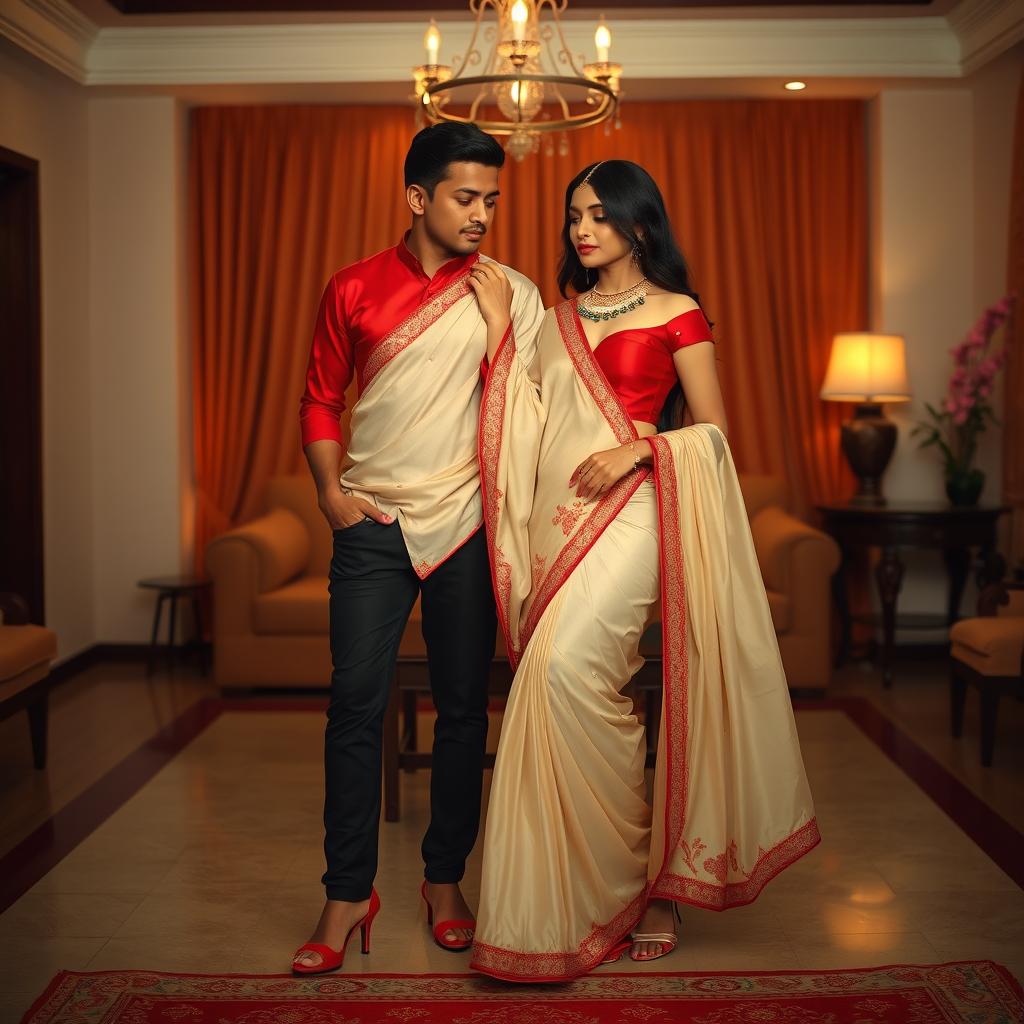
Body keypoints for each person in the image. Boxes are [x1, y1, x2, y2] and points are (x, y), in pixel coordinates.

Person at [469, 159, 820, 982]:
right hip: (553, 522)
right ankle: (586, 891)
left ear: (639, 223)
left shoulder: (677, 312)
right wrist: (496, 331)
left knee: (569, 672)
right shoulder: (552, 322)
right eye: (572, 216)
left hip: (632, 511)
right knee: (550, 688)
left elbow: (716, 433)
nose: (581, 230)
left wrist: (639, 448)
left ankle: (642, 881)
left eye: (597, 214)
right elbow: (521, 414)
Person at [293, 122, 544, 974]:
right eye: (466, 198)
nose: (482, 215)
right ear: (417, 198)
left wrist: (506, 326)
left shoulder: (509, 290)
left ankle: (445, 881)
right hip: (375, 525)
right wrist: (332, 495)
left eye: (492, 201)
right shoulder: (354, 287)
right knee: (354, 706)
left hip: (470, 527)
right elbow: (322, 397)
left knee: (464, 710)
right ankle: (346, 891)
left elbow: (542, 409)